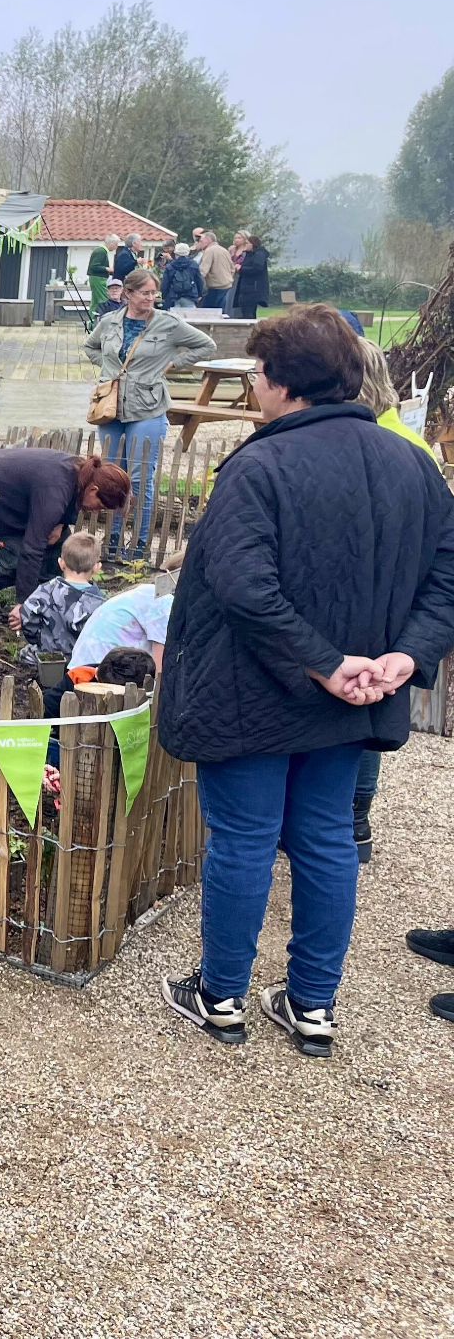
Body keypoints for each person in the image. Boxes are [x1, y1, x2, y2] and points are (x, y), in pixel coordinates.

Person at [157, 306, 454, 1057]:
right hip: (356, 695)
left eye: (258, 373)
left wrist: (331, 661)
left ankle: (221, 993)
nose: (255, 385)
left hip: (256, 689)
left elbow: (241, 585)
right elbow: (446, 573)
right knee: (325, 839)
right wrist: (403, 658)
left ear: (281, 382)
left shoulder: (260, 465)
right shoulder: (412, 461)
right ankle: (312, 1005)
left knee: (247, 840)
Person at [346, 337, 438, 863]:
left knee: (363, 712)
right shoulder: (409, 439)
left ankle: (352, 818)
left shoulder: (377, 445)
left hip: (376, 601)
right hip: (394, 601)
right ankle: (355, 822)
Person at [83, 267, 216, 560]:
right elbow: (90, 346)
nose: (151, 298)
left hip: (148, 408)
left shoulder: (167, 323)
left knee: (140, 477)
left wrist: (173, 364)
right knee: (111, 477)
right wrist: (110, 371)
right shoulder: (109, 322)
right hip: (111, 408)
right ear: (128, 294)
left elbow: (207, 345)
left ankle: (140, 543)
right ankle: (114, 538)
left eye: (154, 293)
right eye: (145, 293)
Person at [0, 450, 130, 630]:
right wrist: (23, 603)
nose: (96, 512)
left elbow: (64, 501)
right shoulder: (55, 490)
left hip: (5, 493)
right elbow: (32, 549)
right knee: (16, 563)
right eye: (100, 506)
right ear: (94, 489)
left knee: (60, 553)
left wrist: (60, 524)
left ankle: (58, 614)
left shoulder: (79, 473)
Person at [13, 531, 105, 675]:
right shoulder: (99, 603)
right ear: (96, 567)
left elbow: (28, 616)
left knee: (26, 653)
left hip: (48, 654)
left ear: (61, 563)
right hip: (82, 662)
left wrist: (39, 639)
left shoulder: (45, 590)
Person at [68, 581, 171, 687]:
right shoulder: (163, 601)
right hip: (102, 676)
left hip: (84, 669)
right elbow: (160, 673)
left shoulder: (148, 593)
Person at [230, 231, 269, 320]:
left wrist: (241, 269)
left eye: (248, 243)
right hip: (247, 288)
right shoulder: (250, 254)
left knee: (248, 312)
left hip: (252, 288)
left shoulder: (259, 254)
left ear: (253, 244)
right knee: (246, 311)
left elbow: (257, 267)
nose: (246, 245)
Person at [196, 231, 235, 310]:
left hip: (214, 287)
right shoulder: (224, 250)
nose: (200, 243)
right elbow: (232, 268)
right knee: (221, 313)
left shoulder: (209, 251)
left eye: (201, 241)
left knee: (207, 313)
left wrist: (197, 284)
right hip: (227, 286)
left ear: (208, 240)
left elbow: (203, 271)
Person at [160, 242, 204, 308]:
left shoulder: (170, 266)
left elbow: (165, 284)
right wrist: (200, 294)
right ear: (188, 252)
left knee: (174, 317)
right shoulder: (193, 265)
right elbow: (199, 281)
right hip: (190, 296)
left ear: (175, 253)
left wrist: (164, 296)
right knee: (189, 317)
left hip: (173, 297)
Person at [88, 237, 114, 301]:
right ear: (111, 244)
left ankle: (93, 311)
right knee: (102, 299)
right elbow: (93, 266)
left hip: (97, 278)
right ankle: (100, 311)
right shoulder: (100, 252)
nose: (116, 247)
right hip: (98, 278)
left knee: (96, 300)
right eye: (116, 245)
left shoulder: (102, 251)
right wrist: (107, 269)